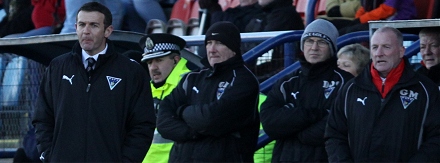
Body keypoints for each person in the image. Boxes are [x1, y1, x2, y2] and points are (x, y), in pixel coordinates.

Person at [32, 2, 155, 162]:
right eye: (82, 25)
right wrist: (49, 156)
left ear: (108, 31)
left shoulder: (130, 72)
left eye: (94, 25)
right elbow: (42, 118)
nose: (86, 31)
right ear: (75, 27)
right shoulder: (57, 67)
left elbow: (142, 125)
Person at [325, 26, 440, 162]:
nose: (379, 53)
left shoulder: (426, 90)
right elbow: (334, 134)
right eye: (374, 47)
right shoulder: (350, 88)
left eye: (386, 47)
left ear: (401, 51)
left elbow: (436, 138)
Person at [156, 21, 260, 162]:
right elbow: (163, 122)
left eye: (219, 43)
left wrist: (181, 112)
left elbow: (210, 120)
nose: (212, 49)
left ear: (234, 48)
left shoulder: (243, 81)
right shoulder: (191, 78)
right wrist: (194, 131)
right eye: (209, 43)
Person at [259, 19, 353, 162]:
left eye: (321, 42)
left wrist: (294, 129)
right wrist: (314, 115)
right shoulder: (287, 83)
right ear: (303, 46)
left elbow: (335, 125)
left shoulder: (345, 82)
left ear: (332, 47)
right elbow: (269, 123)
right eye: (309, 41)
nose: (314, 47)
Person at [137, 33, 191, 163]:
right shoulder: (145, 90)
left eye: (159, 60)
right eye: (149, 62)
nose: (153, 67)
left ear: (176, 60)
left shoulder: (189, 85)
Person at [338, 0, 417, 35]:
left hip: (400, 23)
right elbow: (365, 7)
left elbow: (388, 9)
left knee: (352, 31)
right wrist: (357, 19)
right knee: (339, 26)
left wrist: (361, 20)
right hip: (379, 22)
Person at [198, 0, 263, 33]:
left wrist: (215, 11)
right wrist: (209, 9)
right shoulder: (232, 12)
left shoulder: (262, 12)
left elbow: (228, 35)